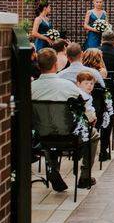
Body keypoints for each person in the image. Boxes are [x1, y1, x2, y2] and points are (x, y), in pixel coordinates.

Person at [31, 48, 98, 190]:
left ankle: (53, 172)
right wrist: (92, 118)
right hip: (69, 135)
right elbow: (85, 110)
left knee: (47, 129)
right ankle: (85, 176)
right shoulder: (68, 86)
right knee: (94, 135)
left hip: (40, 136)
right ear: (55, 65)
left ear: (38, 66)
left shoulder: (31, 88)